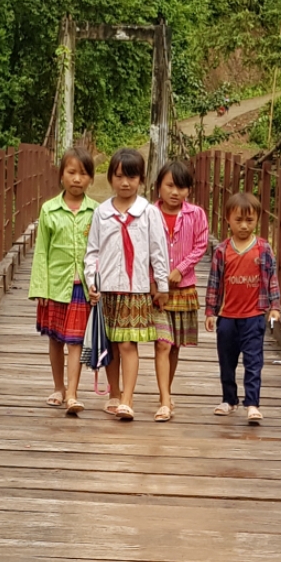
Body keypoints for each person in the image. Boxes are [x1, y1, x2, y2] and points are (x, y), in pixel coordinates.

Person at [84, 148, 170, 422]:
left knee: (127, 344)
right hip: (107, 288)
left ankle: (127, 399)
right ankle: (114, 392)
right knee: (110, 343)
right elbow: (92, 251)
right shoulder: (102, 213)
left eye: (131, 177)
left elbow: (158, 251)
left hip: (135, 290)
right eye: (119, 176)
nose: (125, 183)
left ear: (141, 180)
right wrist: (91, 281)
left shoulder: (149, 213)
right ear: (110, 177)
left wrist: (162, 286)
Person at [28, 146, 98, 415]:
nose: (77, 179)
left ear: (91, 178)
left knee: (75, 340)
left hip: (83, 286)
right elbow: (41, 251)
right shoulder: (49, 210)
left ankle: (72, 393)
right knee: (55, 339)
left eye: (83, 174)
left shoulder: (97, 211)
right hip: (55, 285)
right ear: (61, 175)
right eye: (71, 172)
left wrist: (99, 284)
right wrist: (40, 287)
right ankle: (58, 387)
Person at [205, 190, 281, 423]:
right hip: (227, 316)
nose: (244, 226)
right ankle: (229, 399)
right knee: (226, 360)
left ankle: (252, 403)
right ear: (228, 219)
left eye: (250, 220)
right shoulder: (222, 251)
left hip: (254, 315)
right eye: (238, 220)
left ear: (257, 219)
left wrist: (274, 306)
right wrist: (210, 311)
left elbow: (272, 278)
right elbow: (214, 282)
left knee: (253, 361)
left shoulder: (263, 249)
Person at [151, 160, 209, 423]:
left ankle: (166, 391)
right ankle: (165, 400)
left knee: (174, 346)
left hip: (183, 288)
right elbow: (143, 248)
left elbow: (201, 245)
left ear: (189, 190)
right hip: (157, 289)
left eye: (182, 187)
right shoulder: (149, 213)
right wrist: (155, 283)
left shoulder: (196, 214)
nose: (175, 192)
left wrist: (181, 269)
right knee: (162, 343)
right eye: (170, 186)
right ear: (159, 186)